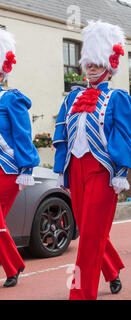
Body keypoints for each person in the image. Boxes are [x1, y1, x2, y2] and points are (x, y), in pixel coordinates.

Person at [53, 21, 131, 300]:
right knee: (88, 230)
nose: (90, 68)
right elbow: (62, 134)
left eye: (96, 63)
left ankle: (81, 294)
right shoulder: (72, 98)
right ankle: (111, 271)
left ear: (109, 66)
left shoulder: (117, 98)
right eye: (88, 63)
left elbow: (123, 137)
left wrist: (121, 172)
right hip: (75, 168)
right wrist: (59, 171)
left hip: (101, 171)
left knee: (89, 237)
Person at [0, 29, 40, 288]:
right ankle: (14, 264)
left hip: (7, 169)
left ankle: (13, 265)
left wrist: (27, 166)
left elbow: (23, 134)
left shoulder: (10, 98)